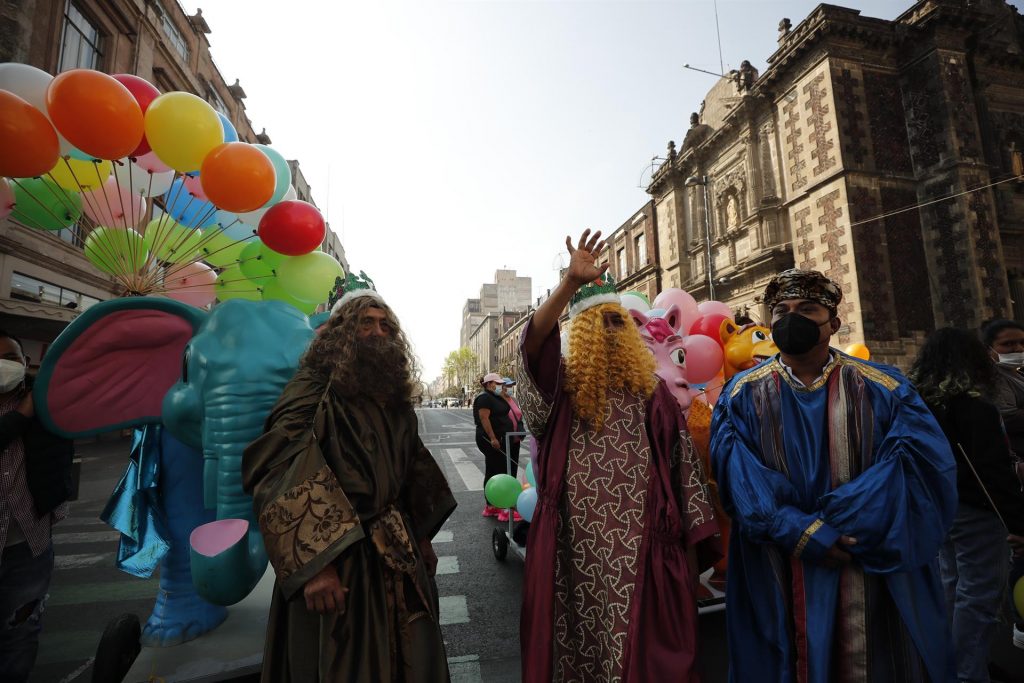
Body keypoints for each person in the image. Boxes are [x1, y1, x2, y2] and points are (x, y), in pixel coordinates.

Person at [710, 268, 959, 683]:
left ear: (834, 323)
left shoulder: (884, 388)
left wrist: (838, 527)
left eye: (807, 309)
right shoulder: (740, 395)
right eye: (782, 310)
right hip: (778, 560)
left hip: (863, 556)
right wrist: (796, 528)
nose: (792, 318)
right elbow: (737, 476)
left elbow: (918, 466)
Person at [517, 230, 719, 682]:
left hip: (645, 549)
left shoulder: (653, 395)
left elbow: (683, 472)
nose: (612, 332)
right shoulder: (559, 389)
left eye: (618, 323)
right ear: (580, 333)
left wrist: (688, 553)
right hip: (573, 554)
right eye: (600, 324)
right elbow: (533, 346)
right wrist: (569, 285)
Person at [242, 272, 456, 682]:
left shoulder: (391, 396)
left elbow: (412, 468)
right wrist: (316, 566)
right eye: (365, 322)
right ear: (341, 331)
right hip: (339, 564)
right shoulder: (312, 388)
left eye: (385, 325)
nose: (378, 332)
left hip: (397, 552)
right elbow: (278, 468)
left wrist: (422, 537)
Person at [908, 327, 1024, 679]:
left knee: (952, 587)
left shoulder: (919, 406)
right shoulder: (976, 407)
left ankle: (945, 665)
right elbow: (995, 471)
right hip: (978, 509)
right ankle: (966, 673)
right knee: (980, 596)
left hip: (938, 508)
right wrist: (1019, 522)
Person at [0, 331, 74, 682]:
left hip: (27, 544)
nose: (5, 365)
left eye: (11, 357)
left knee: (22, 631)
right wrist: (20, 418)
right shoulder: (28, 410)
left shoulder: (46, 400)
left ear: (25, 362)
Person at [473, 372, 513, 518]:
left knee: (498, 469)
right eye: (497, 383)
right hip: (490, 439)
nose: (500, 386)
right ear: (489, 384)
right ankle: (492, 505)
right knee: (494, 470)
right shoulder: (484, 398)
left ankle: (495, 503)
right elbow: (484, 419)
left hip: (500, 438)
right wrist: (493, 438)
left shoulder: (495, 396)